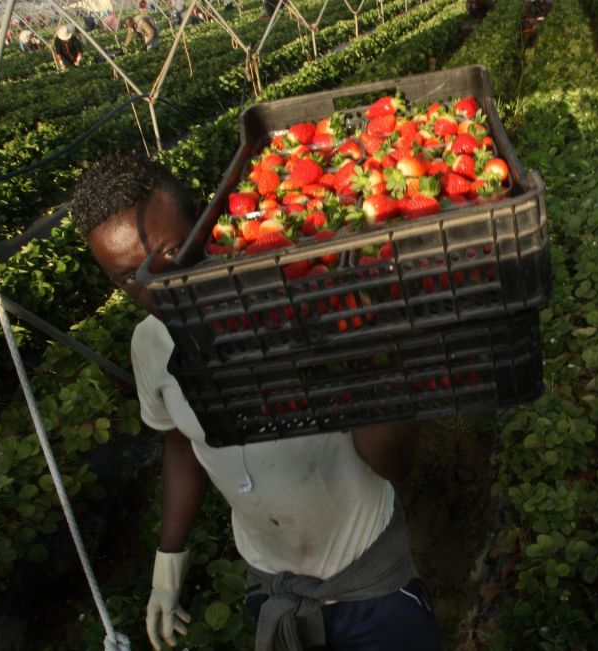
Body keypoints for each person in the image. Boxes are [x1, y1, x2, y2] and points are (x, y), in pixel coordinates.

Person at [68, 151, 441, 651]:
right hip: (270, 585)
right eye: (128, 276)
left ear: (205, 221)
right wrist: (168, 562)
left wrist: (370, 363)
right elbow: (181, 445)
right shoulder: (150, 346)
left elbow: (394, 462)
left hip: (367, 582)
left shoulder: (297, 300)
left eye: (171, 251)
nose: (155, 285)